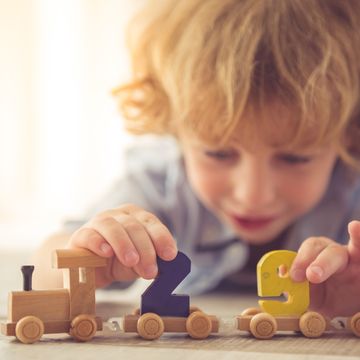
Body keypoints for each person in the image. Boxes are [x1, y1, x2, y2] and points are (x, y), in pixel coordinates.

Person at [33, 0, 360, 318]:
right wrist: (89, 255)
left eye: (295, 158)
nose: (253, 195)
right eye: (218, 153)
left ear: (348, 134)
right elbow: (43, 268)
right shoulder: (160, 184)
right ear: (175, 127)